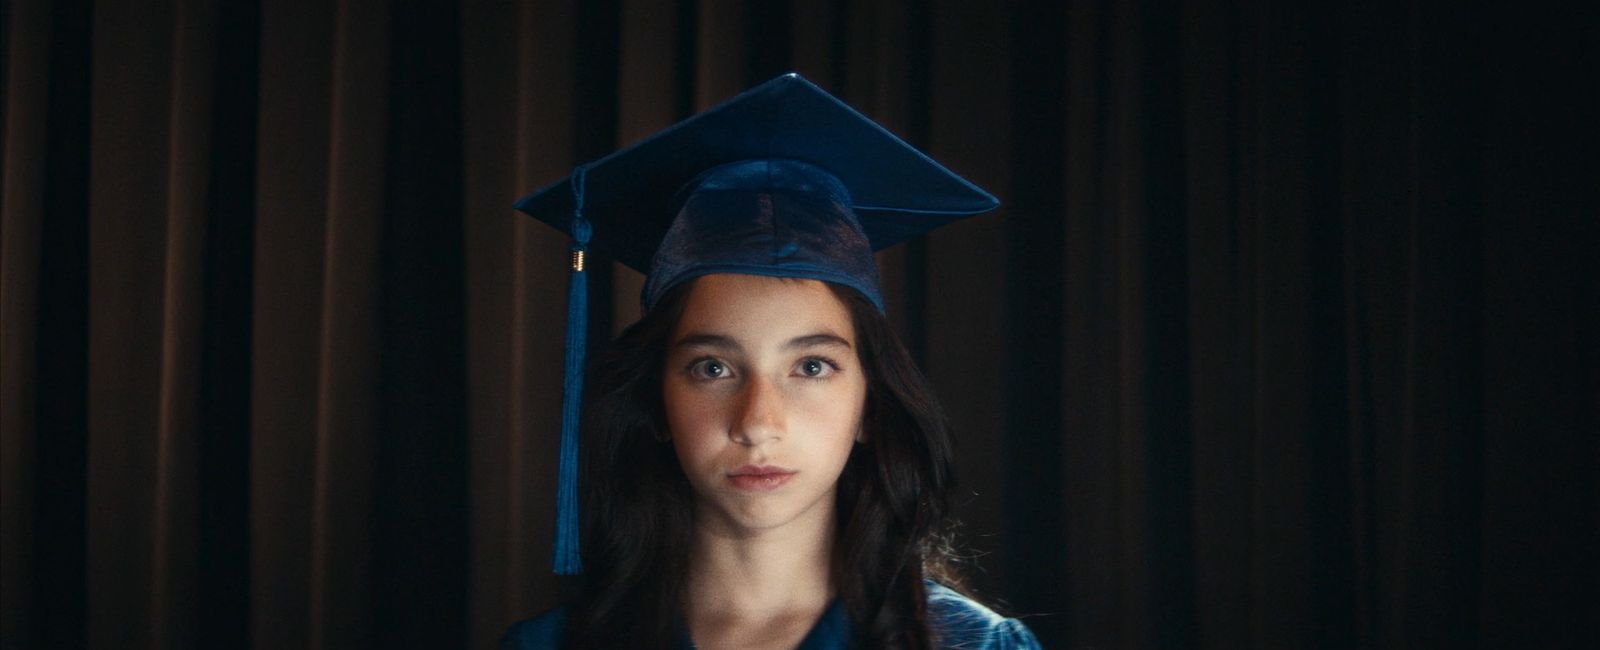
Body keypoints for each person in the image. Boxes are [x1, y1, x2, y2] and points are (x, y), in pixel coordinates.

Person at [501, 74, 1040, 649]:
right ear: (657, 401)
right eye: (713, 368)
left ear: (869, 404)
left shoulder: (976, 646)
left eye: (811, 366)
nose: (758, 423)